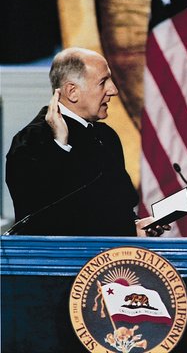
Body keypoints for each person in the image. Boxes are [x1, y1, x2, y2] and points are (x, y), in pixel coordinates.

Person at [6, 47, 165, 236]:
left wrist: (134, 226)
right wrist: (60, 147)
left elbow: (115, 205)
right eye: (103, 82)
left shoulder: (106, 137)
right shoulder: (32, 141)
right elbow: (47, 217)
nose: (113, 90)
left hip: (110, 261)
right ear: (72, 91)